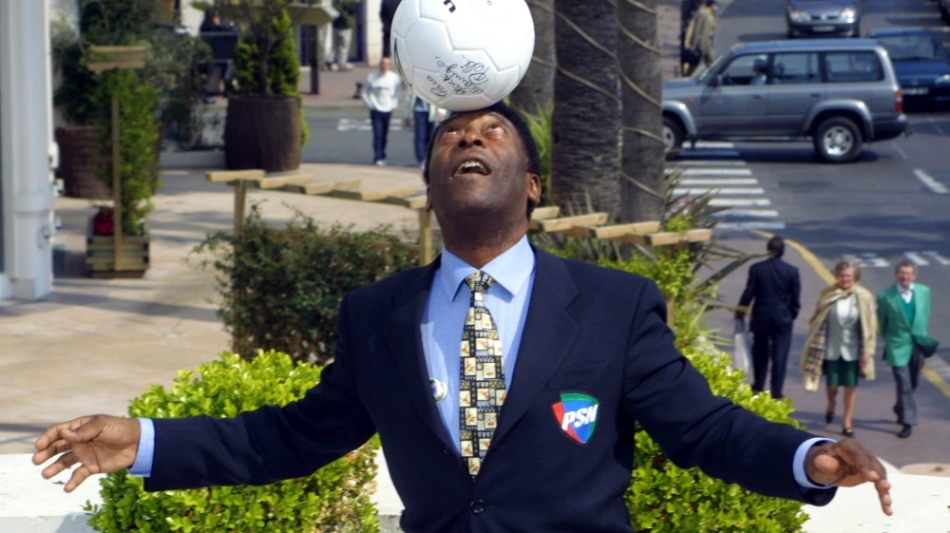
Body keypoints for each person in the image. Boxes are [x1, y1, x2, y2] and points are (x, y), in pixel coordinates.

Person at [34, 103, 893, 532]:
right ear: (432, 185)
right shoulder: (377, 315)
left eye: (491, 133)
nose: (469, 140)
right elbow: (285, 438)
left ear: (532, 185)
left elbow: (701, 427)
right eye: (451, 137)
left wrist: (809, 455)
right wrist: (142, 441)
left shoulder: (613, 305)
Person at [799, 259, 877, 439]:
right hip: (831, 347)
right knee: (832, 385)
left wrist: (868, 351)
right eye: (841, 275)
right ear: (837, 276)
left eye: (848, 276)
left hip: (853, 349)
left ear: (855, 276)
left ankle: (847, 422)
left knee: (850, 386)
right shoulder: (828, 293)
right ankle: (831, 403)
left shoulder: (864, 296)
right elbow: (817, 317)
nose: (845, 279)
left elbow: (870, 325)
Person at [735, 236, 801, 400]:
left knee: (760, 352)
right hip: (782, 317)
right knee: (780, 357)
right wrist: (791, 315)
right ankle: (776, 393)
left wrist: (740, 311)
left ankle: (758, 386)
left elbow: (749, 292)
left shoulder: (756, 269)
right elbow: (795, 300)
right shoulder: (792, 271)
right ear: (783, 251)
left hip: (761, 316)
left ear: (767, 250)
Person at [877, 260, 933, 439]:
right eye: (902, 273)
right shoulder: (885, 296)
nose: (905, 276)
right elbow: (882, 323)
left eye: (908, 273)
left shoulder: (924, 291)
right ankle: (908, 422)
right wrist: (892, 340)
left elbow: (925, 314)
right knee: (904, 384)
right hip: (897, 346)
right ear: (896, 274)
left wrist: (921, 335)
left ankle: (900, 407)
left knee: (913, 382)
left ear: (914, 276)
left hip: (918, 344)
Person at [360, 57, 403, 165]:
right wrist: (370, 105)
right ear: (380, 65)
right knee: (378, 134)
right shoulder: (372, 77)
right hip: (376, 109)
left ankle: (383, 154)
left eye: (387, 64)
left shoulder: (394, 78)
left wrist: (394, 105)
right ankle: (378, 156)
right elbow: (365, 92)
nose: (384, 66)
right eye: (383, 63)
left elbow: (398, 93)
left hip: (388, 109)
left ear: (390, 65)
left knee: (384, 135)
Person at [405, 93, 446, 170]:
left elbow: (440, 95)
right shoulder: (415, 85)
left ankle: (428, 158)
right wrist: (407, 115)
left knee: (430, 136)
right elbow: (409, 97)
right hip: (418, 111)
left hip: (432, 112)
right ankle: (422, 159)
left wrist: (441, 112)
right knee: (420, 136)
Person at [683, 0, 718, 76]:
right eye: (714, 5)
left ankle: (713, 76)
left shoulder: (710, 13)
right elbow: (697, 29)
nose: (715, 7)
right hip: (701, 43)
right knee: (694, 63)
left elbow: (712, 25)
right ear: (711, 5)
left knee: (712, 61)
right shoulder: (702, 13)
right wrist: (694, 42)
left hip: (708, 42)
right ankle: (686, 77)